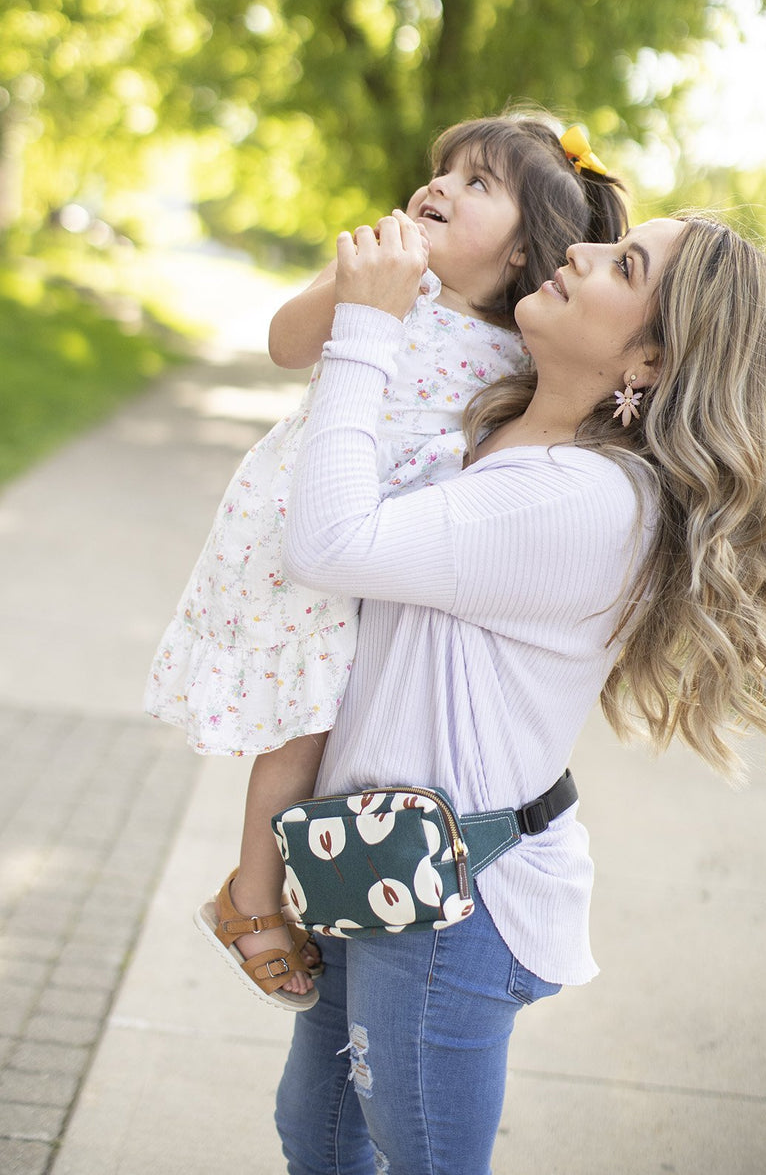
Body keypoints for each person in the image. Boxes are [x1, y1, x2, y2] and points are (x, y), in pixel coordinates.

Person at [272, 209, 766, 1173]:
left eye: (623, 264)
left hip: (455, 900)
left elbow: (326, 545)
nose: (581, 252)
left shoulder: (588, 500)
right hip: (373, 856)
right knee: (320, 1135)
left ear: (648, 363)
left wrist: (369, 329)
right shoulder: (499, 430)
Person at [143, 111, 627, 1007]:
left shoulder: (528, 343)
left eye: (479, 183)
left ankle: (298, 890)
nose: (438, 185)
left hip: (393, 557)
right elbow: (288, 345)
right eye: (442, 171)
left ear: (525, 255)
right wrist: (357, 295)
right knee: (306, 724)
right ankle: (250, 898)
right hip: (307, 531)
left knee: (352, 730)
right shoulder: (379, 274)